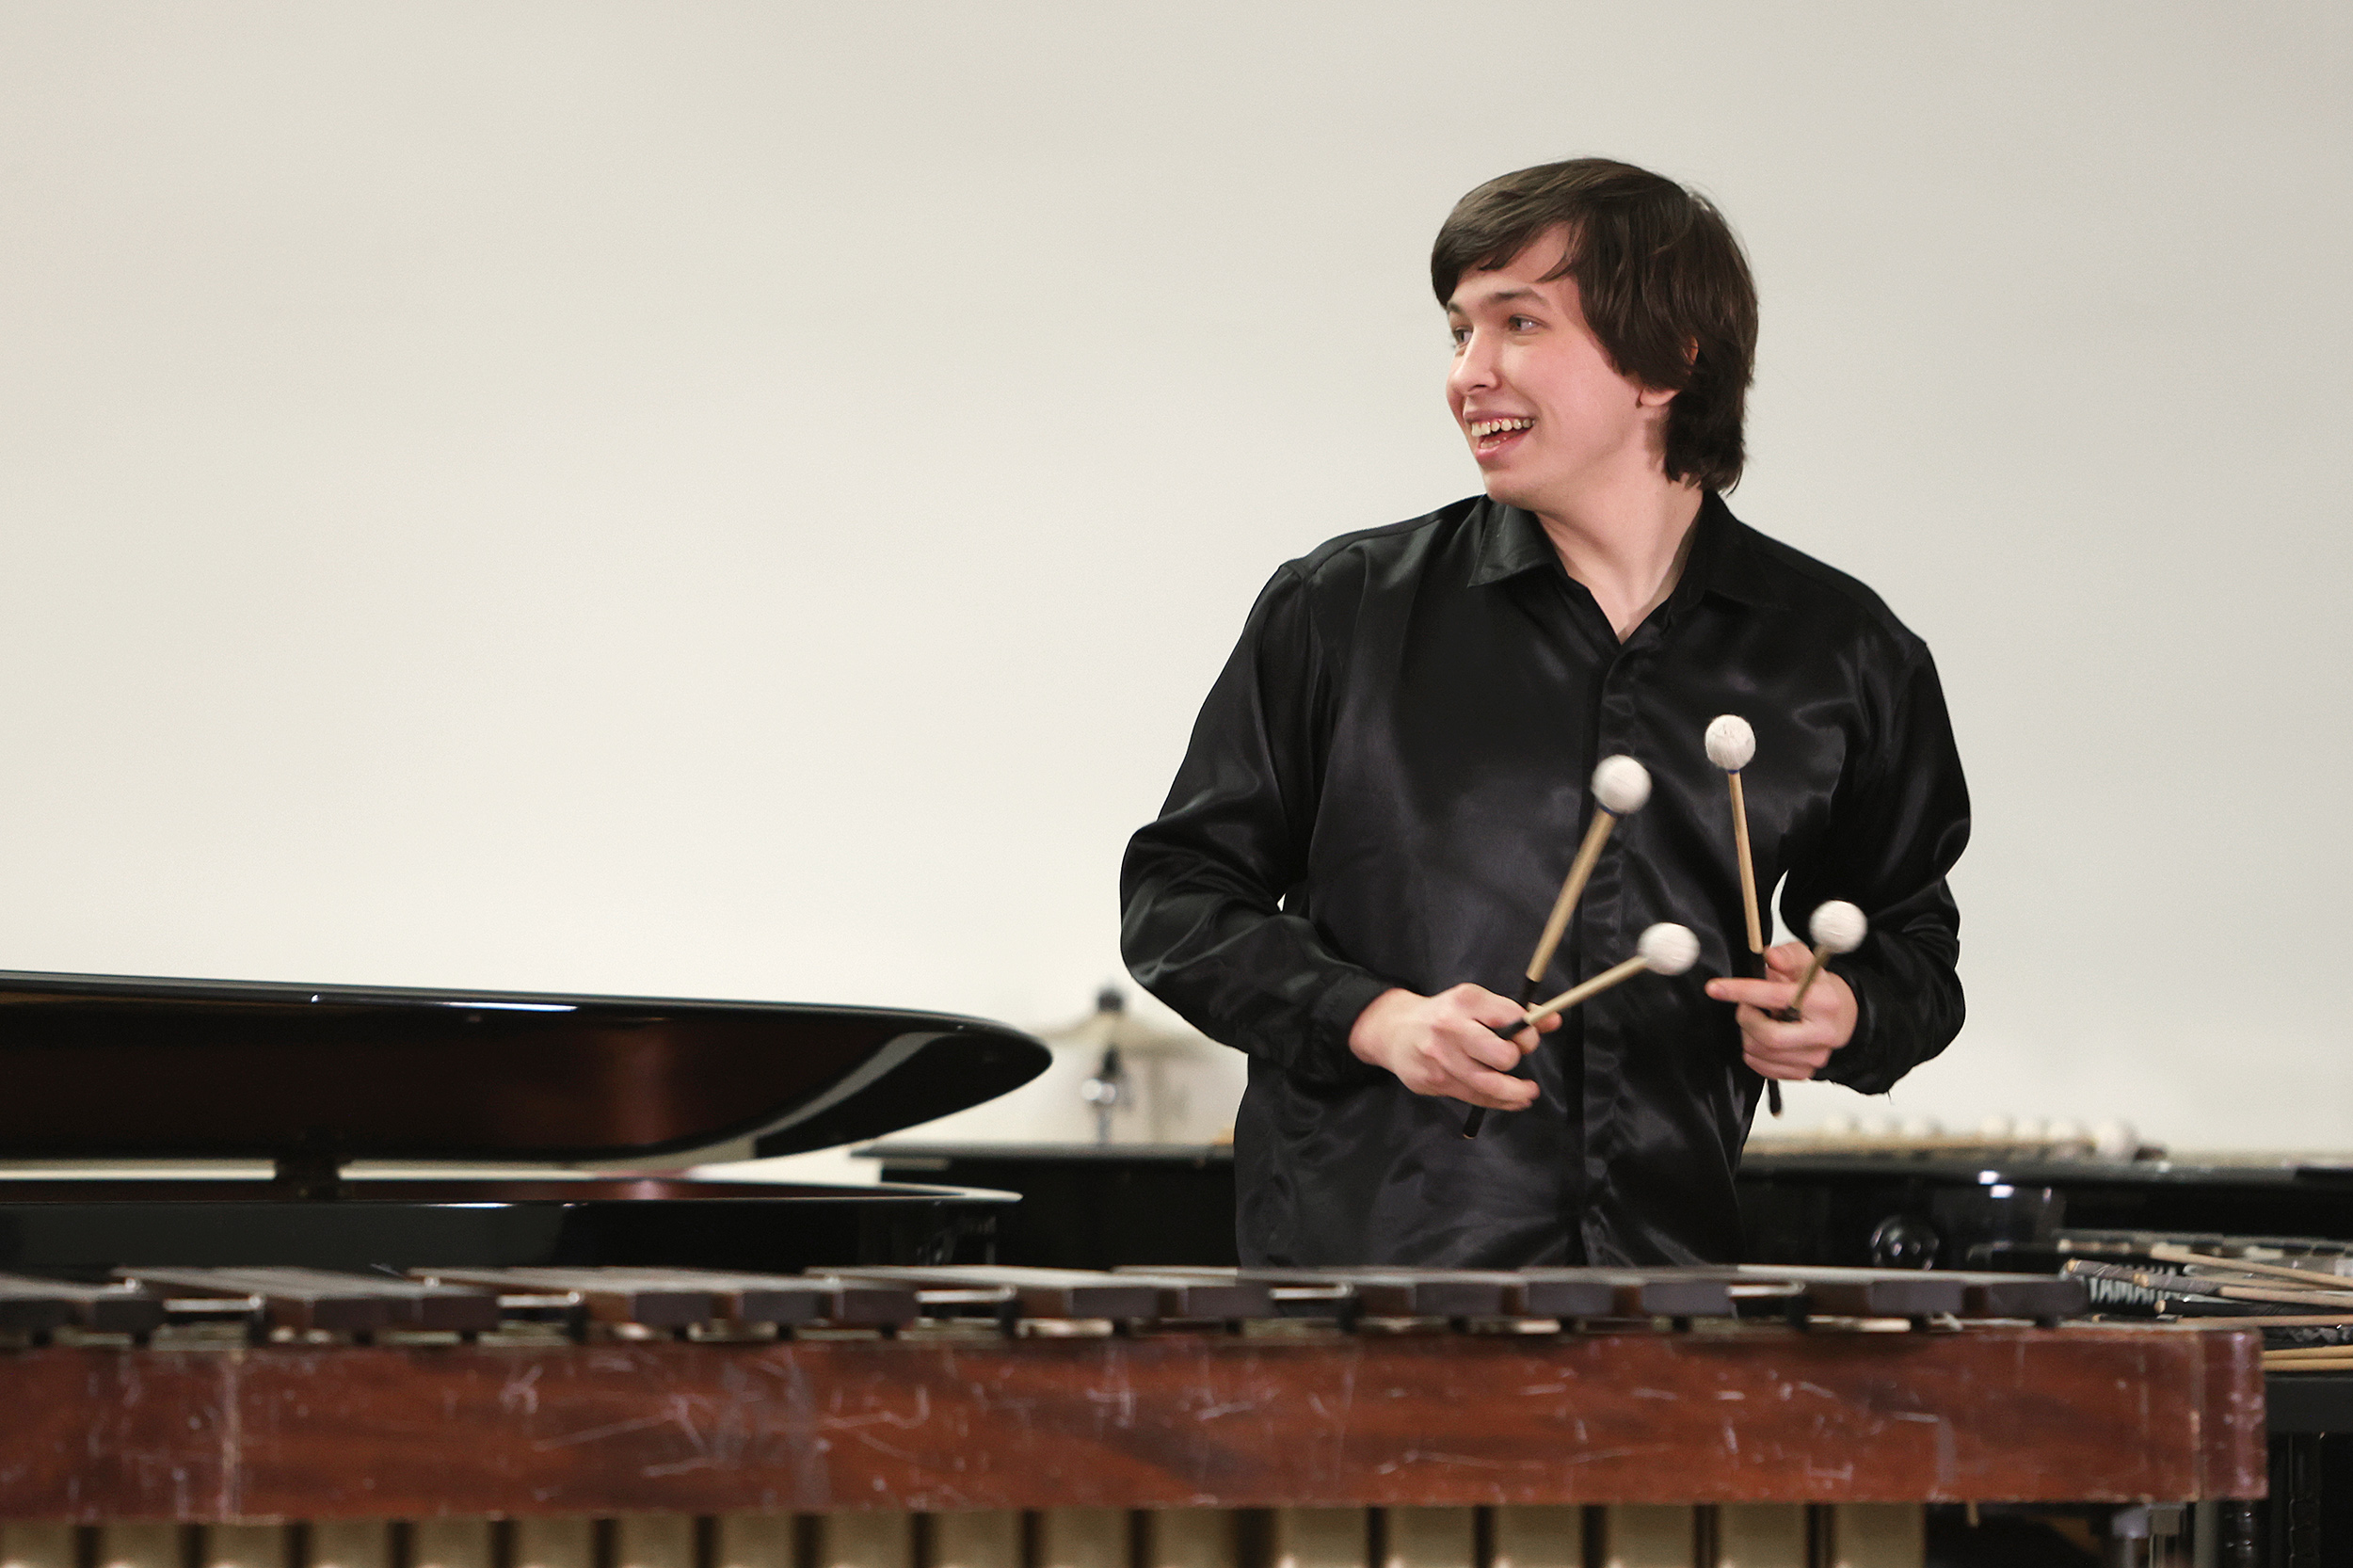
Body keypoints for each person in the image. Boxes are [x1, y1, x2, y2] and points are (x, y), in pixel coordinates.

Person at [1119, 158, 1969, 1269]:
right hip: (1368, 1288)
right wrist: (1374, 1018)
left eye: (1518, 323)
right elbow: (1178, 902)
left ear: (1667, 361)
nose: (1468, 373)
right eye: (1458, 331)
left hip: (1663, 1281)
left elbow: (1912, 946)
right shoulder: (1343, 611)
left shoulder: (1840, 653)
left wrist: (1846, 1012)